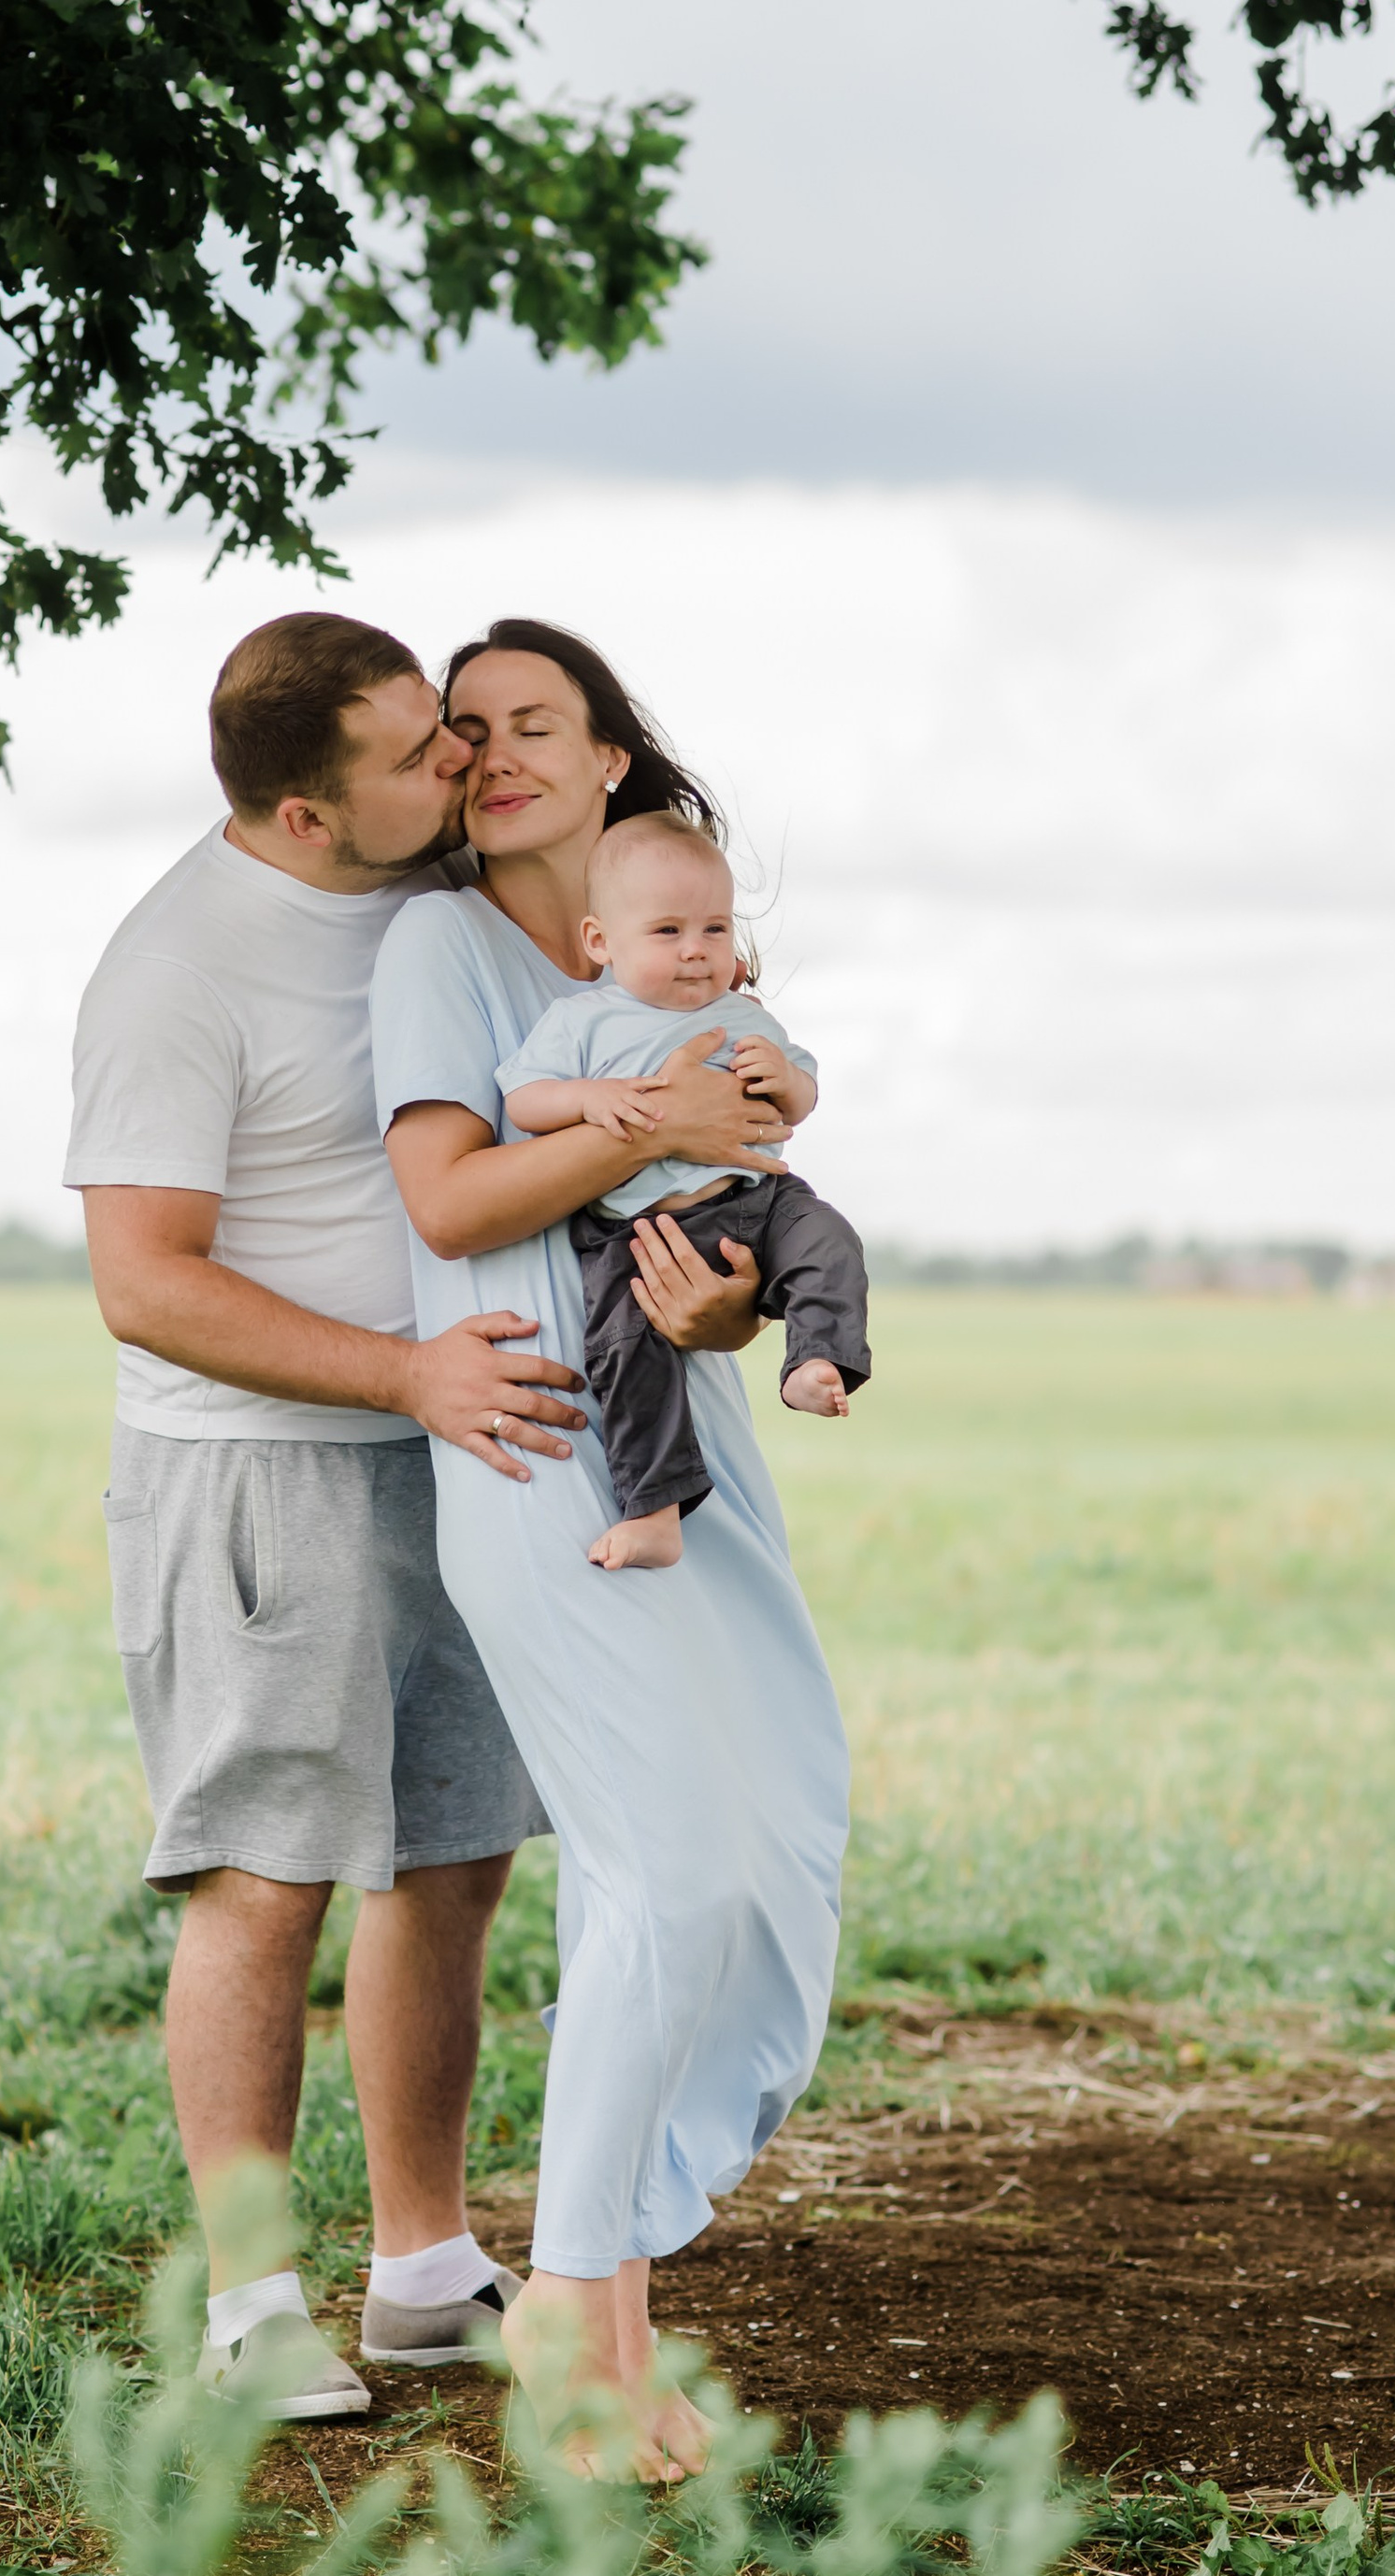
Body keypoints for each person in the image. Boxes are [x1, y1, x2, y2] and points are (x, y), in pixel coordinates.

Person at [67, 610, 594, 2419]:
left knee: (452, 1861)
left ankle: (427, 2272)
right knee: (264, 1881)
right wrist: (402, 1377)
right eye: (410, 752)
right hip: (258, 1467)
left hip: (451, 1443)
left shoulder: (426, 894)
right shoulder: (177, 971)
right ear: (306, 812)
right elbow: (146, 1284)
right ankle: (248, 2308)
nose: (452, 766)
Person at [369, 621, 852, 2479]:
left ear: (607, 757)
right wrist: (647, 1119)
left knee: (766, 1845)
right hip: (536, 1452)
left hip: (684, 1439)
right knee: (664, 1876)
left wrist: (728, 1300)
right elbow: (446, 1193)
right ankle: (572, 2321)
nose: (490, 753)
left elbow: (730, 1193)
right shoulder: (441, 949)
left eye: (530, 723)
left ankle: (612, 2305)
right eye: (458, 730)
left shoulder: (677, 956)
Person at [498, 807, 871, 1569]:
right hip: (637, 1230)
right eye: (668, 932)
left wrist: (786, 1081)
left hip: (758, 1199)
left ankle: (815, 1359)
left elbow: (801, 1099)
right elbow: (523, 1100)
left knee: (830, 1238)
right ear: (601, 940)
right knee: (628, 1352)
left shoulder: (741, 1015)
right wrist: (588, 1100)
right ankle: (655, 1509)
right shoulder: (583, 1021)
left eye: (714, 929)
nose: (697, 953)